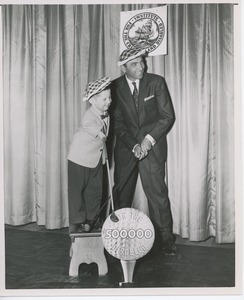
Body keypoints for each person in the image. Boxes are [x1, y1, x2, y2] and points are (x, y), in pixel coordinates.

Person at [110, 48, 177, 255]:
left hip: (153, 147)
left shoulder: (156, 82)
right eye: (134, 64)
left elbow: (167, 116)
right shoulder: (115, 87)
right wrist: (134, 145)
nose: (141, 67)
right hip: (127, 148)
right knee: (121, 195)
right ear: (123, 68)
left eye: (141, 62)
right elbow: (118, 123)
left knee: (158, 195)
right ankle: (118, 238)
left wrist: (147, 141)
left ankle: (165, 241)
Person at [67, 76, 112, 233]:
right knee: (77, 191)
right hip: (79, 158)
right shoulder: (89, 114)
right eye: (105, 98)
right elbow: (89, 125)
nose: (109, 101)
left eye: (110, 97)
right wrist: (100, 133)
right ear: (92, 100)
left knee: (95, 190)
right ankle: (77, 221)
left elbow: (103, 140)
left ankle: (91, 220)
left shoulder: (106, 114)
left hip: (96, 159)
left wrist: (105, 157)